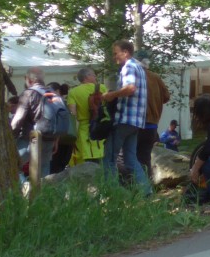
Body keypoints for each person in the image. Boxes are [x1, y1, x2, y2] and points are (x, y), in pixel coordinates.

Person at [101, 39, 153, 196]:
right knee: (130, 159)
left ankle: (111, 193)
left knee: (109, 158)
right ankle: (146, 192)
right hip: (136, 121)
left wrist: (111, 95)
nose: (114, 57)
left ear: (125, 52)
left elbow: (130, 88)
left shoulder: (129, 66)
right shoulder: (139, 68)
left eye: (116, 53)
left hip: (125, 119)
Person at [10, 68, 52, 184]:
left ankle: (24, 190)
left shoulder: (28, 93)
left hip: (30, 138)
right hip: (49, 138)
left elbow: (18, 119)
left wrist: (10, 135)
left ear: (28, 79)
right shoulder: (52, 93)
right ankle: (44, 193)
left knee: (12, 164)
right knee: (43, 169)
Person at [135, 51, 168, 177]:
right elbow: (166, 97)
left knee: (131, 157)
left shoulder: (132, 77)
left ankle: (133, 185)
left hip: (135, 124)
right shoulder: (155, 77)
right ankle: (146, 185)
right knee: (145, 157)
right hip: (152, 125)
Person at [69, 68, 103, 163]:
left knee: (87, 156)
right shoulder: (102, 88)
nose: (95, 77)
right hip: (101, 127)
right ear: (87, 77)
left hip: (84, 128)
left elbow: (73, 112)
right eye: (93, 75)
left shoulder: (73, 92)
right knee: (102, 155)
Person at [48, 82, 75, 174]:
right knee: (61, 167)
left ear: (57, 91)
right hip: (69, 138)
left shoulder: (54, 104)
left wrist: (55, 141)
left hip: (59, 140)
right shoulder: (67, 103)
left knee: (54, 168)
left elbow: (58, 124)